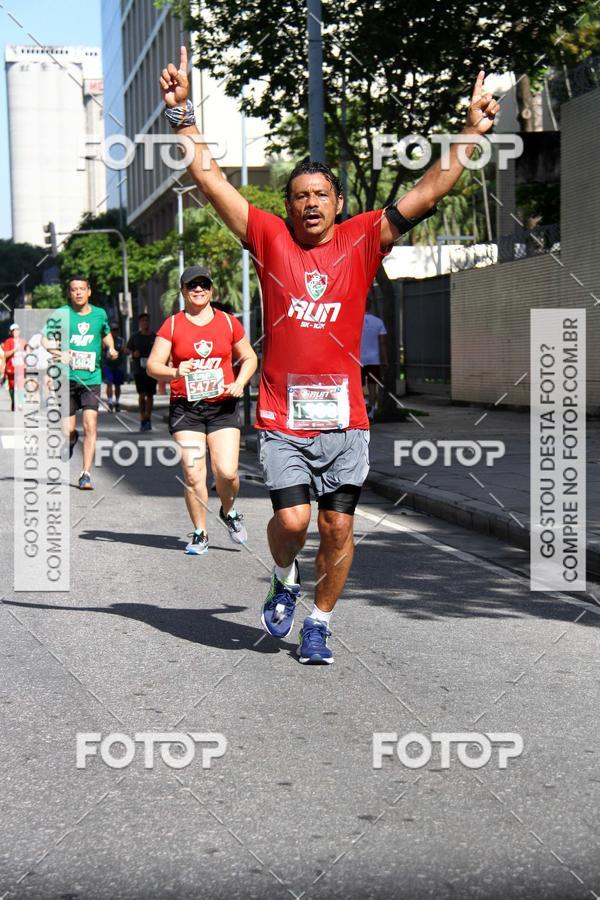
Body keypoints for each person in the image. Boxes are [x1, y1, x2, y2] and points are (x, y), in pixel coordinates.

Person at [160, 47, 499, 663]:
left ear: (338, 203)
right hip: (282, 416)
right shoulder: (268, 237)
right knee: (293, 523)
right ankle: (283, 576)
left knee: (337, 526)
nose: (310, 203)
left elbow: (428, 190)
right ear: (287, 205)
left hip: (346, 420)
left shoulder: (364, 236)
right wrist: (183, 114)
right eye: (299, 196)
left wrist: (471, 133)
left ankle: (319, 621)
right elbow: (211, 180)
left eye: (321, 194)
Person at [147, 266, 257, 554]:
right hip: (187, 409)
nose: (198, 289)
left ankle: (228, 511)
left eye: (204, 285)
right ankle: (200, 533)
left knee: (227, 473)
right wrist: (175, 371)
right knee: (194, 473)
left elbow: (249, 357)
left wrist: (240, 382)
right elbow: (152, 366)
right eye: (192, 285)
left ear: (211, 289)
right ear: (183, 290)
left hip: (222, 407)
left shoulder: (228, 322)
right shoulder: (172, 325)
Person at [45, 276, 118, 490]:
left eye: (82, 289)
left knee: (90, 425)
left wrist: (111, 348)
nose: (78, 292)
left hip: (91, 378)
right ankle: (71, 439)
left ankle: (85, 474)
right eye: (74, 289)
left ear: (89, 291)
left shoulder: (99, 314)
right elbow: (45, 338)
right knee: (67, 430)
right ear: (69, 293)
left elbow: (105, 333)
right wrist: (58, 352)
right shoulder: (61, 313)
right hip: (66, 378)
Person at [126, 313, 157, 431]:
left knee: (150, 395)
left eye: (147, 320)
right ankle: (142, 417)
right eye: (143, 321)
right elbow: (127, 349)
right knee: (142, 394)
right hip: (139, 370)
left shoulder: (154, 337)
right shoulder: (135, 337)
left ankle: (148, 418)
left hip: (151, 369)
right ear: (139, 323)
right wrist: (133, 353)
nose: (145, 323)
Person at [360, 297, 389, 420]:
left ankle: (361, 410)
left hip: (358, 360)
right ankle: (371, 412)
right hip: (374, 360)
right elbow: (383, 343)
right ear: (371, 306)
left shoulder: (355, 321)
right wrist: (385, 360)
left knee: (358, 387)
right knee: (372, 387)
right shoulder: (378, 322)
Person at [102, 322, 126, 412]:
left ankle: (117, 402)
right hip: (108, 365)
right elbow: (101, 349)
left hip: (118, 365)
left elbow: (124, 350)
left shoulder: (121, 340)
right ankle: (110, 401)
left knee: (117, 385)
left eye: (117, 330)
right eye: (113, 330)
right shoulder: (105, 340)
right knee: (109, 383)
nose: (115, 332)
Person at [3, 323, 27, 411]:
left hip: (21, 366)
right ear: (11, 332)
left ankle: (20, 403)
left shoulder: (23, 341)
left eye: (17, 330)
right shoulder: (8, 341)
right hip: (11, 367)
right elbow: (6, 354)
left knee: (21, 385)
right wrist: (14, 350)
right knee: (12, 385)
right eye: (14, 331)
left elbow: (27, 352)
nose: (16, 332)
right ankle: (13, 401)